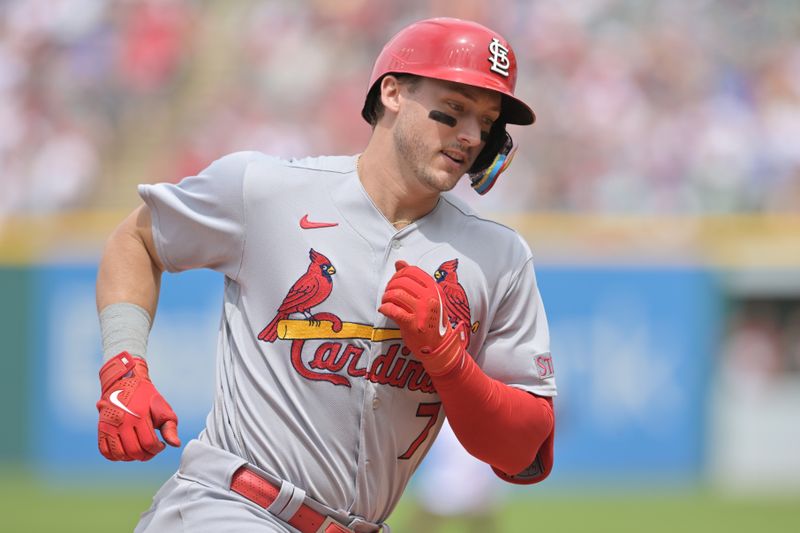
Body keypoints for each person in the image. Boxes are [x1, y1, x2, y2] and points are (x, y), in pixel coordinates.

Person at [95, 17, 556, 533]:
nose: (471, 136)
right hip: (231, 508)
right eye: (452, 112)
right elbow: (136, 239)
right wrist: (124, 365)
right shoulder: (266, 190)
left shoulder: (499, 257)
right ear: (393, 93)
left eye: (488, 122)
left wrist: (450, 362)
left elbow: (523, 452)